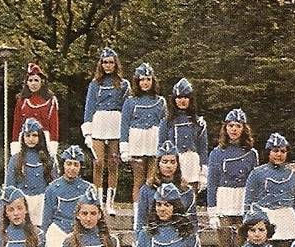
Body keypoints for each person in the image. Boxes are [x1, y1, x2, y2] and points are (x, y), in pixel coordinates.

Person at [42, 145, 96, 247]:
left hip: (79, 229)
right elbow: (47, 217)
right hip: (58, 228)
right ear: (63, 164)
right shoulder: (53, 188)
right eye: (69, 163)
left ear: (80, 167)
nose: (72, 168)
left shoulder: (88, 188)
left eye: (76, 164)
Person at [244, 133, 295, 247]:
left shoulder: (293, 175)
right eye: (275, 151)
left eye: (283, 151)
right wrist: (249, 223)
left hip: (287, 219)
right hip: (266, 218)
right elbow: (249, 201)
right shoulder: (257, 173)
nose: (279, 154)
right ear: (268, 152)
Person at [81, 48, 130, 214]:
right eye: (104, 62)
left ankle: (110, 203)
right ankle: (97, 201)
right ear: (100, 64)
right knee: (98, 162)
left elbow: (127, 109)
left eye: (110, 62)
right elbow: (89, 107)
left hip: (116, 122)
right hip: (99, 122)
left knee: (113, 164)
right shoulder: (95, 84)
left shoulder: (124, 84)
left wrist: (126, 132)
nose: (107, 65)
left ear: (115, 64)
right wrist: (87, 132)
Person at [206, 109, 259, 247]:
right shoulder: (217, 153)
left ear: (244, 129)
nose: (234, 129)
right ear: (225, 128)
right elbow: (212, 183)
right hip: (224, 199)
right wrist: (212, 212)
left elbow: (255, 183)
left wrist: (253, 206)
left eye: (238, 126)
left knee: (240, 246)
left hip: (243, 199)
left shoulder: (251, 153)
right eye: (230, 126)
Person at [120, 63, 166, 216]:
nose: (145, 83)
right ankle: (137, 216)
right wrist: (124, 147)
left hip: (154, 142)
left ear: (153, 81)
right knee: (138, 180)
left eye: (148, 79)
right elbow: (124, 125)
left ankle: (151, 214)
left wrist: (164, 146)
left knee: (152, 180)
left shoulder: (160, 101)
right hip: (137, 142)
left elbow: (164, 124)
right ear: (137, 82)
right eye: (142, 80)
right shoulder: (130, 102)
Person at [157, 78, 208, 193]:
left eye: (186, 97)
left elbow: (203, 149)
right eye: (179, 97)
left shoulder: (199, 123)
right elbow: (160, 146)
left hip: (192, 161)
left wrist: (204, 170)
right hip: (173, 161)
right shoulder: (166, 122)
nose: (182, 101)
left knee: (190, 195)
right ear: (174, 100)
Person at [135, 141, 198, 232]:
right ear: (158, 164)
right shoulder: (147, 189)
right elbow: (141, 220)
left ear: (177, 165)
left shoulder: (186, 190)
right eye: (165, 162)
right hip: (154, 237)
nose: (169, 166)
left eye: (172, 162)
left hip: (179, 237)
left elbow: (192, 221)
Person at [5, 118, 58, 224]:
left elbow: (54, 185)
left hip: (42, 202)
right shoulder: (16, 159)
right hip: (22, 202)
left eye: (34, 135)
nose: (31, 139)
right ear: (23, 137)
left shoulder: (48, 159)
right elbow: (10, 185)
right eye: (27, 135)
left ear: (40, 137)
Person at [11, 62, 59, 156]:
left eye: (36, 80)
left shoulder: (50, 100)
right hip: (26, 140)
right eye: (30, 80)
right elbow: (17, 123)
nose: (33, 83)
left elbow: (54, 125)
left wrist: (53, 144)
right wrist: (15, 143)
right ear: (27, 83)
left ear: (42, 82)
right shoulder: (22, 100)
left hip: (44, 142)